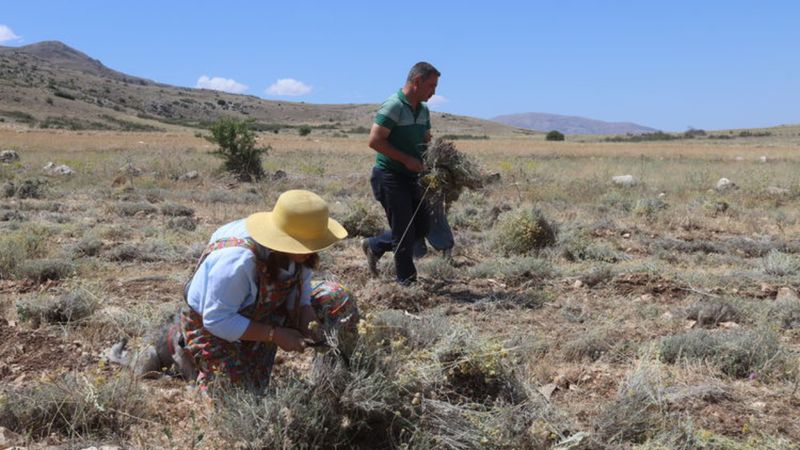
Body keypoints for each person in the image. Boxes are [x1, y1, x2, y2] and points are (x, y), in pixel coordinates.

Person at [180, 189, 355, 390]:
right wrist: (275, 335)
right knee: (240, 397)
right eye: (306, 245)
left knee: (335, 297)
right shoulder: (239, 261)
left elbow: (302, 289)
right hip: (213, 325)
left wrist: (308, 319)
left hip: (263, 311)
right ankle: (186, 354)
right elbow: (217, 319)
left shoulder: (298, 251)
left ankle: (337, 380)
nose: (312, 251)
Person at [362, 61, 441, 284]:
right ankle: (406, 284)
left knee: (421, 227)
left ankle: (375, 245)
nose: (434, 92)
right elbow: (375, 140)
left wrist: (433, 158)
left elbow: (425, 140)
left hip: (412, 177)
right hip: (389, 176)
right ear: (417, 81)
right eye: (431, 86)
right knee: (404, 233)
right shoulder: (394, 105)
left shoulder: (423, 110)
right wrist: (406, 159)